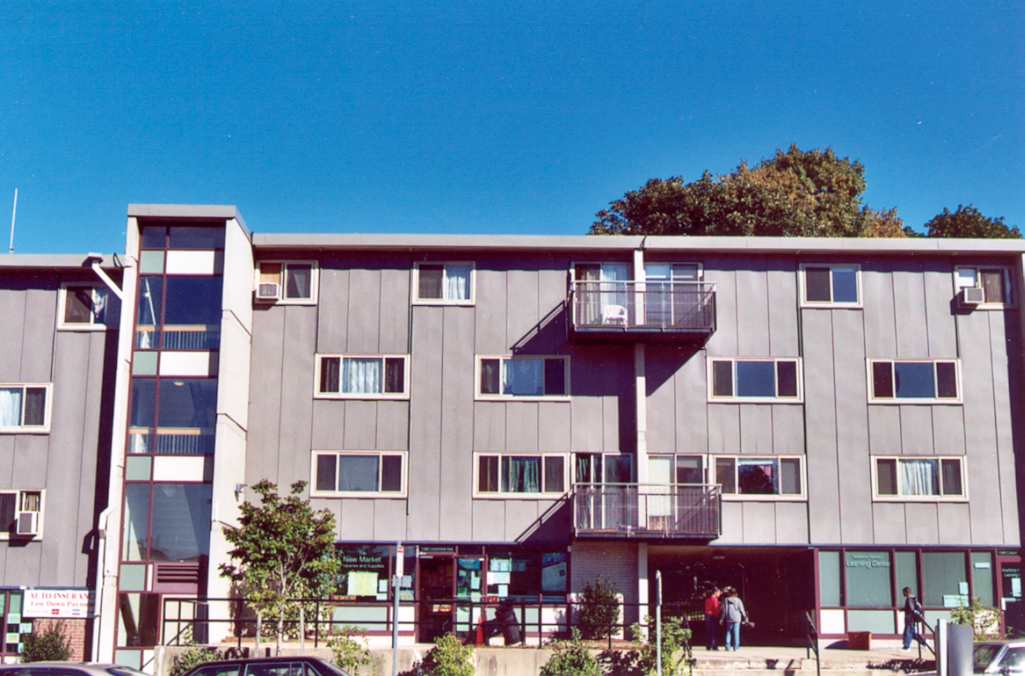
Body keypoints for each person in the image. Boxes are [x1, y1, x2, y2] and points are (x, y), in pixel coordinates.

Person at [720, 586, 748, 651]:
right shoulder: (738, 600)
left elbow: (725, 610)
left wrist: (722, 618)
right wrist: (745, 617)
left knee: (728, 632)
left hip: (729, 618)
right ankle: (736, 647)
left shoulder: (726, 600)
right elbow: (742, 610)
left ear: (729, 593)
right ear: (736, 593)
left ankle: (727, 646)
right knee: (736, 632)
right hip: (737, 618)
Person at [901, 586, 925, 651]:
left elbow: (912, 609)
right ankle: (924, 642)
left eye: (903, 592)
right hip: (912, 619)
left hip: (910, 619)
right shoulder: (913, 598)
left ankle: (907, 646)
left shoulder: (909, 599)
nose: (903, 594)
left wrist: (904, 610)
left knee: (908, 632)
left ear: (907, 592)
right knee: (913, 633)